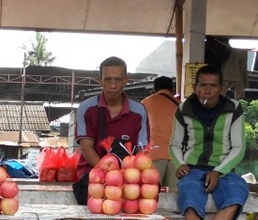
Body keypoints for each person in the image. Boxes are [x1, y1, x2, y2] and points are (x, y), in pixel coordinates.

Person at [169, 64, 248, 220]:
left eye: (213, 86)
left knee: (237, 196)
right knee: (190, 199)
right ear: (195, 87)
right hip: (193, 169)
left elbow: (239, 148)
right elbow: (174, 145)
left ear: (221, 88)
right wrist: (181, 164)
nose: (207, 90)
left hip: (225, 168)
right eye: (203, 85)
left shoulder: (234, 108)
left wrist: (219, 172)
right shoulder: (184, 109)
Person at [73, 56, 149, 202]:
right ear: (99, 80)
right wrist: (108, 175)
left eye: (118, 79)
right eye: (107, 80)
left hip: (128, 175)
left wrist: (130, 176)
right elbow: (86, 148)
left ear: (126, 80)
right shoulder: (86, 108)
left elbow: (141, 150)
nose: (113, 85)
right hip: (93, 173)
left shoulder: (139, 111)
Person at [141, 75, 180, 187]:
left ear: (153, 91)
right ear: (172, 91)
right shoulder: (180, 105)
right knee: (172, 196)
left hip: (154, 152)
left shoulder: (146, 102)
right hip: (176, 155)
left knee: (151, 192)